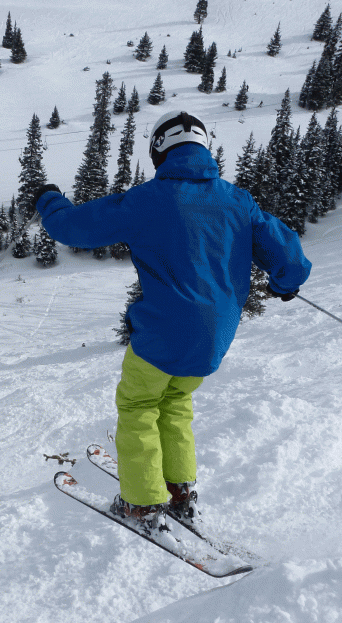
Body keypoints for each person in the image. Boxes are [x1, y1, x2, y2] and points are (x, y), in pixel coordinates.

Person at [35, 110, 311, 535]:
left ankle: (141, 503)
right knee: (176, 404)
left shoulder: (149, 198)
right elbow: (285, 251)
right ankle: (177, 489)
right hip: (214, 339)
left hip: (164, 331)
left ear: (159, 150)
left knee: (138, 405)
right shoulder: (238, 200)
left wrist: (49, 198)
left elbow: (72, 228)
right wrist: (286, 281)